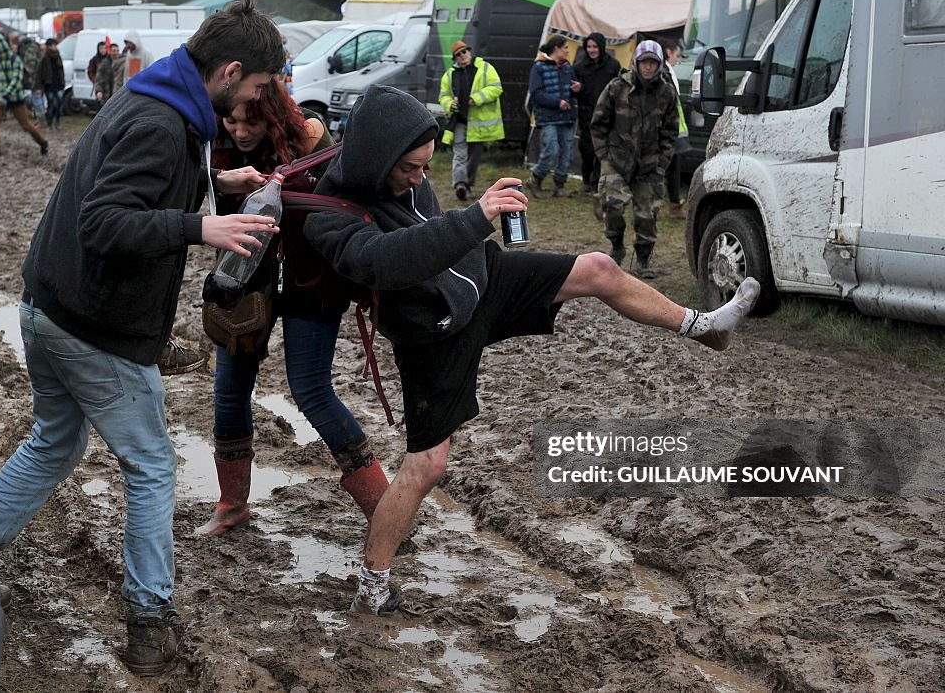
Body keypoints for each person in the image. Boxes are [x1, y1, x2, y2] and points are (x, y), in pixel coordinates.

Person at [303, 84, 760, 616]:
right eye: (409, 168)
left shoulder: (407, 173)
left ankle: (703, 326)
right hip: (435, 333)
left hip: (482, 279)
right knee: (426, 466)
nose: (419, 178)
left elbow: (435, 230)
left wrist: (477, 226)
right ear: (374, 158)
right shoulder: (326, 215)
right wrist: (476, 216)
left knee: (598, 269)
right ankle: (374, 583)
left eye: (426, 166)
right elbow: (387, 260)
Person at [0, 0, 284, 676]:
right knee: (150, 466)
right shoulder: (159, 121)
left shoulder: (156, 92)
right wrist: (199, 226)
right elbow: (104, 221)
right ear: (232, 70)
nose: (262, 100)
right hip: (93, 327)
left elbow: (140, 185)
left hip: (47, 307)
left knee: (56, 439)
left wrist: (214, 181)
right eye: (261, 87)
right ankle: (149, 624)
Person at [197, 81, 391, 536]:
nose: (241, 131)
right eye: (232, 120)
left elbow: (346, 202)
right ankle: (231, 506)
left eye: (252, 121)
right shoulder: (211, 144)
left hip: (313, 281)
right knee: (228, 392)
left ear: (274, 115)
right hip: (245, 282)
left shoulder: (309, 136)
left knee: (312, 392)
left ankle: (385, 514)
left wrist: (306, 156)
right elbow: (200, 205)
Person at [590, 40, 679, 279]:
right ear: (636, 63)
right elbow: (598, 124)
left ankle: (643, 259)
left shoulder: (667, 93)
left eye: (653, 62)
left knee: (647, 215)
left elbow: (671, 132)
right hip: (616, 160)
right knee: (613, 206)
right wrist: (603, 157)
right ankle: (617, 247)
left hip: (650, 166)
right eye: (644, 62)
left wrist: (662, 164)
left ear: (660, 65)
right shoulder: (616, 88)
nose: (648, 67)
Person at [438, 41, 504, 202]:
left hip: (479, 122)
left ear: (469, 51)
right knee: (459, 154)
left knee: (474, 157)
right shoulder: (449, 74)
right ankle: (459, 184)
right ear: (455, 58)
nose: (462, 56)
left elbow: (496, 88)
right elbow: (443, 96)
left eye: (464, 52)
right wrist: (449, 104)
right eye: (458, 54)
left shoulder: (486, 68)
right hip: (460, 120)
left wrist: (477, 98)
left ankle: (467, 184)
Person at [526, 35, 578, 198]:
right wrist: (557, 102)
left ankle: (559, 185)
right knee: (552, 150)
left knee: (567, 154)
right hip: (548, 118)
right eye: (566, 48)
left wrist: (577, 88)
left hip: (566, 117)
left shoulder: (567, 67)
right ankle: (535, 178)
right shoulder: (539, 67)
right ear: (556, 49)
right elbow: (536, 93)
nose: (568, 51)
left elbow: (570, 88)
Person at [571, 32, 620, 194]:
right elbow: (573, 91)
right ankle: (586, 179)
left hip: (606, 115)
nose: (592, 50)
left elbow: (618, 89)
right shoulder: (579, 66)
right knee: (587, 150)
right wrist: (578, 90)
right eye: (589, 47)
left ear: (601, 47)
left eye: (595, 47)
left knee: (603, 151)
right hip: (587, 115)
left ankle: (596, 183)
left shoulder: (613, 65)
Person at [0, 33, 48, 156]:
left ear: (0, 46)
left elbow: (16, 80)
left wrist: (6, 94)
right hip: (0, 98)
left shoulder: (15, 60)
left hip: (15, 99)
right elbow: (0, 81)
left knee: (26, 125)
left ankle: (43, 143)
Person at [658, 37, 689, 219]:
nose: (678, 58)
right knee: (667, 168)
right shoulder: (664, 72)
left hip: (673, 129)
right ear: (669, 52)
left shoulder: (668, 71)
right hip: (668, 130)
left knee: (672, 168)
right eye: (676, 54)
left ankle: (674, 204)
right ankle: (673, 205)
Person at [33, 37, 65, 130]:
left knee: (59, 103)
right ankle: (49, 123)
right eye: (52, 45)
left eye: (55, 45)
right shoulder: (44, 58)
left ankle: (57, 121)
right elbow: (39, 73)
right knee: (51, 104)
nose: (54, 47)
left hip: (58, 84)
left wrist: (63, 83)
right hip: (49, 85)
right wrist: (39, 86)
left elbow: (61, 70)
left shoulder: (58, 56)